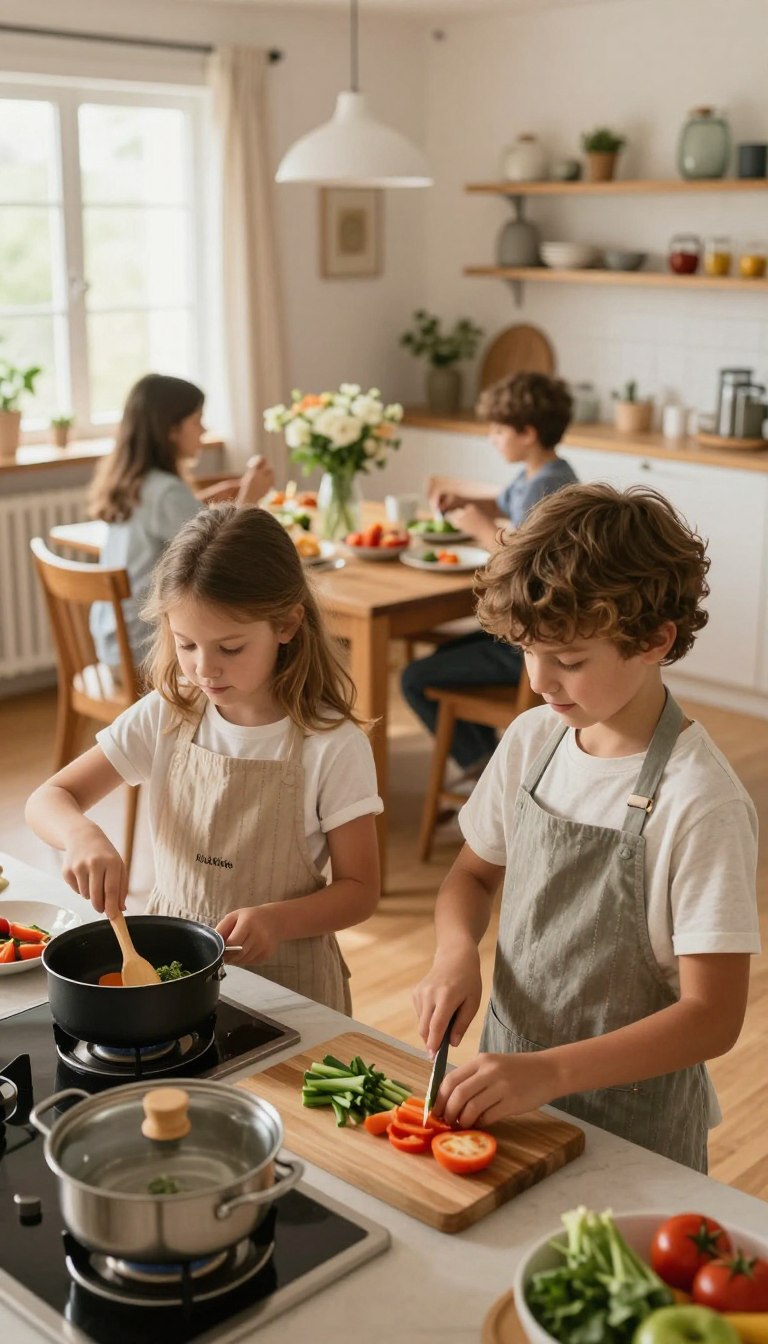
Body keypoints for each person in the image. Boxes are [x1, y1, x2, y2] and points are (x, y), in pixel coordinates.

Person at [412, 483, 759, 1171]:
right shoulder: (533, 740)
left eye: (569, 660)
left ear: (655, 640)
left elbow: (713, 1017)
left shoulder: (700, 803)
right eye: (526, 652)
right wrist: (454, 951)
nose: (541, 681)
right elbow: (473, 876)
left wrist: (552, 1073)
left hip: (636, 1133)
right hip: (509, 1094)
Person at [26, 505, 382, 1013]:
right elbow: (49, 799)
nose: (204, 668)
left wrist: (278, 920)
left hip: (291, 989)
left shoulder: (332, 744)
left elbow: (361, 890)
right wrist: (80, 835)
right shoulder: (167, 715)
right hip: (170, 978)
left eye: (230, 648)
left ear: (287, 624)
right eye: (186, 643)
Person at [401, 372, 578, 783]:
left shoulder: (548, 486)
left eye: (499, 430)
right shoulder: (539, 474)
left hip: (531, 642)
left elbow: (528, 565)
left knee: (415, 678)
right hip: (525, 632)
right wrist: (468, 501)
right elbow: (504, 500)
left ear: (528, 433)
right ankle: (489, 762)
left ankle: (486, 770)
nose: (492, 438)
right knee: (435, 666)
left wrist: (482, 528)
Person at [88, 372, 275, 670]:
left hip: (115, 645)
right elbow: (224, 555)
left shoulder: (135, 481)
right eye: (197, 420)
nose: (203, 428)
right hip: (146, 653)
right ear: (171, 429)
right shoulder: (166, 493)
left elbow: (174, 524)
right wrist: (249, 499)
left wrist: (205, 499)